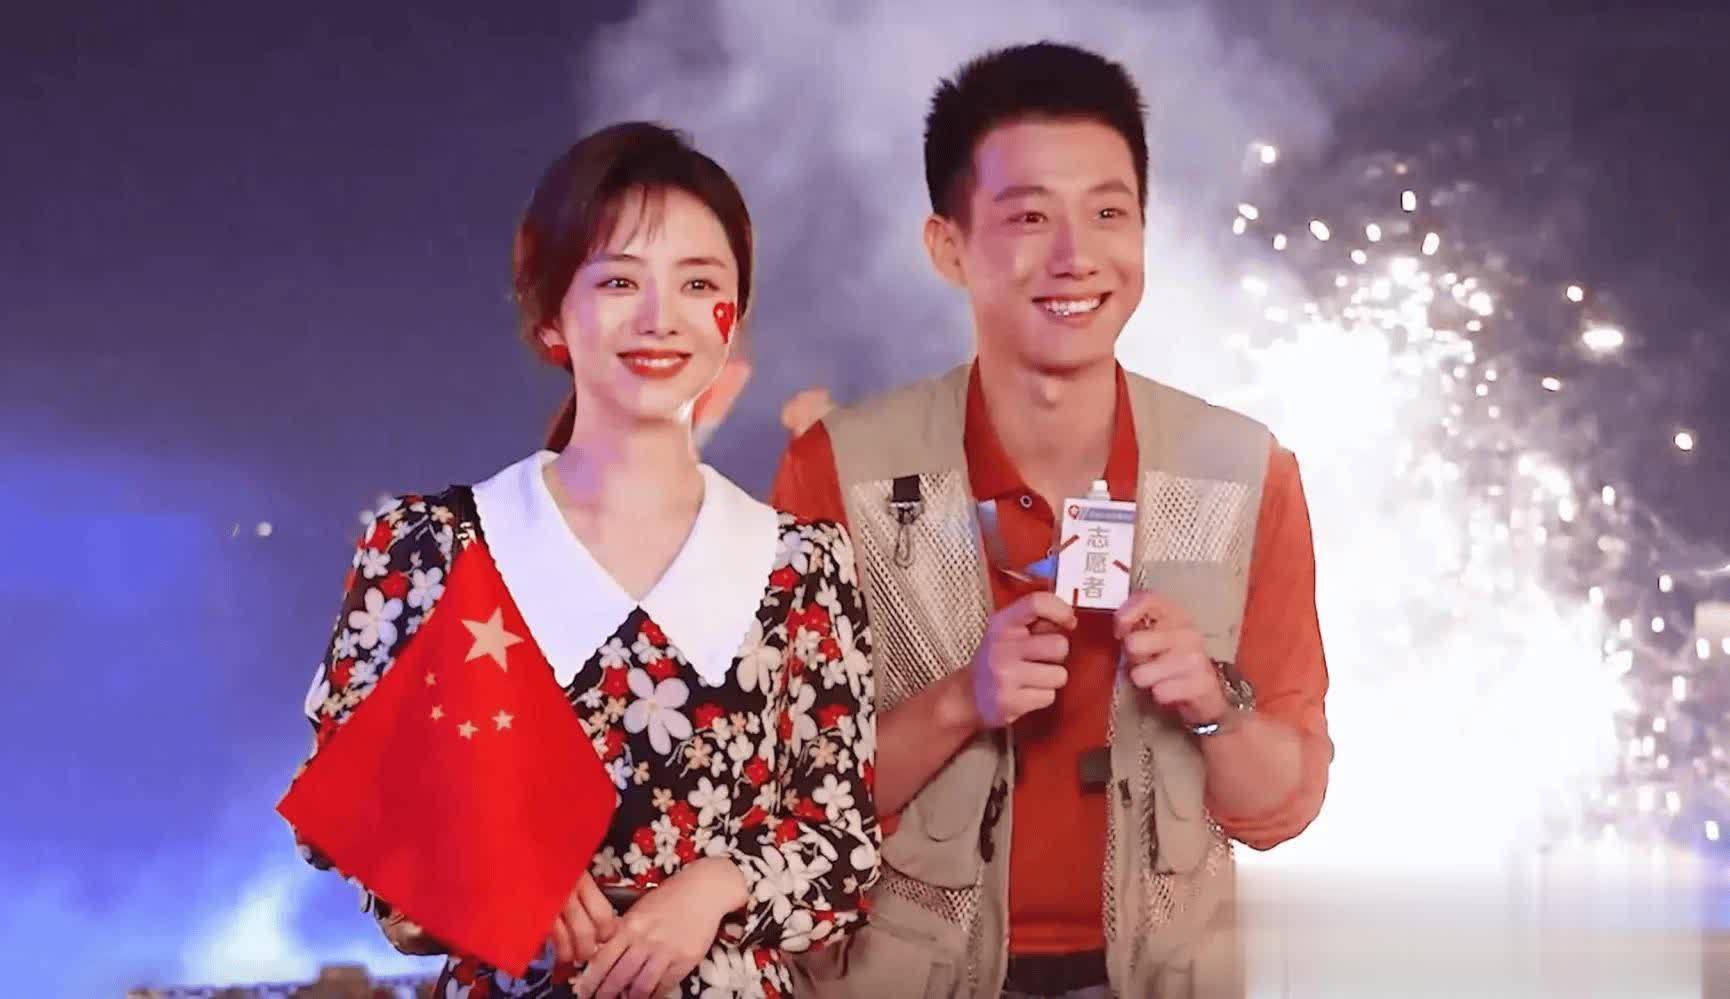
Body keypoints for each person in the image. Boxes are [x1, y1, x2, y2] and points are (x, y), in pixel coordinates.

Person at [772, 44, 1331, 998]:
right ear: (948, 247)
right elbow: (780, 799)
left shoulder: (1246, 473)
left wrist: (1210, 705)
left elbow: (1284, 804)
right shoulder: (838, 471)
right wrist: (961, 700)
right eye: (1029, 217)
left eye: (1109, 213)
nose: (1076, 257)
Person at [285, 122, 881, 999]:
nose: (660, 316)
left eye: (699, 283)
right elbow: (337, 808)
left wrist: (716, 885)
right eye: (618, 281)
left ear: (735, 314)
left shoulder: (802, 564)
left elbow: (844, 843)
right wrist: (501, 862)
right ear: (551, 313)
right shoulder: (433, 547)